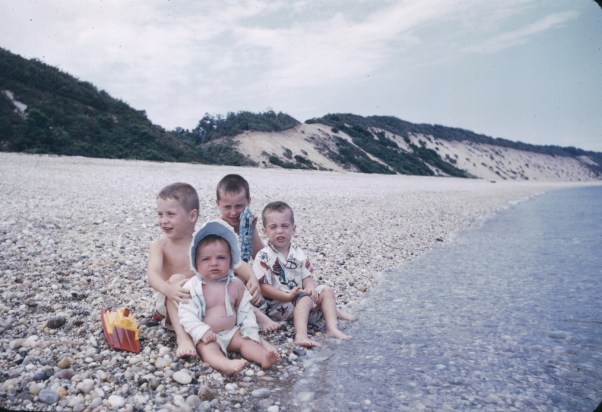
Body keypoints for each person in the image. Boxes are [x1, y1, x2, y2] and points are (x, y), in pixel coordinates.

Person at [147, 182, 263, 358]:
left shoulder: (200, 244)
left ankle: (255, 319)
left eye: (170, 214)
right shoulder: (160, 245)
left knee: (230, 282)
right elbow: (152, 276)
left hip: (200, 307)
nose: (163, 220)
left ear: (192, 215)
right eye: (160, 214)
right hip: (173, 303)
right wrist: (168, 289)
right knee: (177, 279)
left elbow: (236, 263)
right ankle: (183, 337)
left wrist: (252, 277)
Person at [178, 219, 280, 375]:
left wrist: (249, 331)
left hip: (232, 332)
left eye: (221, 258)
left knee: (246, 343)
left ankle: (263, 357)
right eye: (206, 259)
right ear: (195, 263)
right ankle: (224, 363)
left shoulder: (236, 284)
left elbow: (245, 310)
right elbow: (186, 314)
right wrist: (201, 331)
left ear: (231, 259)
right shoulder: (192, 287)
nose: (214, 263)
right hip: (208, 335)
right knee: (207, 350)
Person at [253, 201, 356, 348]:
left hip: (299, 300)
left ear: (293, 229)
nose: (279, 231)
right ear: (264, 231)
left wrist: (311, 287)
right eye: (273, 227)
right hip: (278, 306)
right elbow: (263, 287)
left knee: (326, 290)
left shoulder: (298, 253)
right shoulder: (263, 256)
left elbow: (307, 277)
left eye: (285, 226)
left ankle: (332, 328)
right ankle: (301, 335)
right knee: (305, 298)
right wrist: (287, 296)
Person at [215, 174, 281, 332]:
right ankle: (259, 317)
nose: (233, 212)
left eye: (239, 206)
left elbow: (260, 256)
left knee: (271, 276)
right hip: (223, 281)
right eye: (227, 207)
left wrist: (252, 230)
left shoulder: (246, 225)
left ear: (248, 202)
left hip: (244, 280)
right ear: (217, 204)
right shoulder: (217, 230)